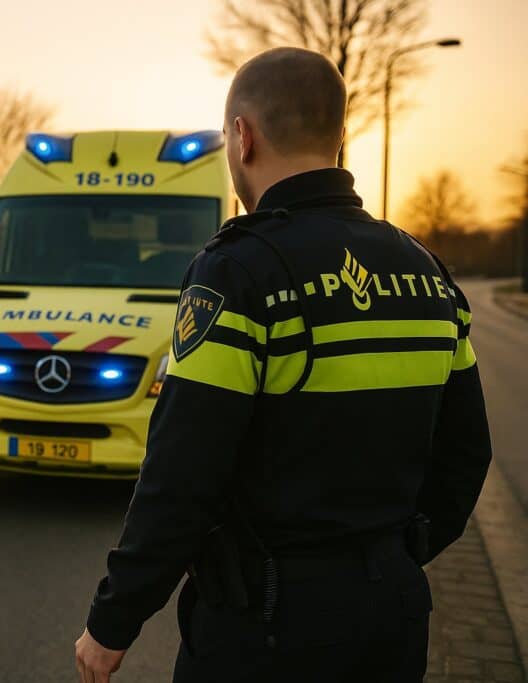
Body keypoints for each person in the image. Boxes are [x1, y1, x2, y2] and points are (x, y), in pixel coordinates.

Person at [74, 46, 492, 682]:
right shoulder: (426, 272)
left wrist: (114, 620)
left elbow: (182, 476)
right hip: (394, 616)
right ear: (340, 135)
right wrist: (394, 555)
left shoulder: (238, 272)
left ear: (243, 137)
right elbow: (465, 454)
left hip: (267, 625)